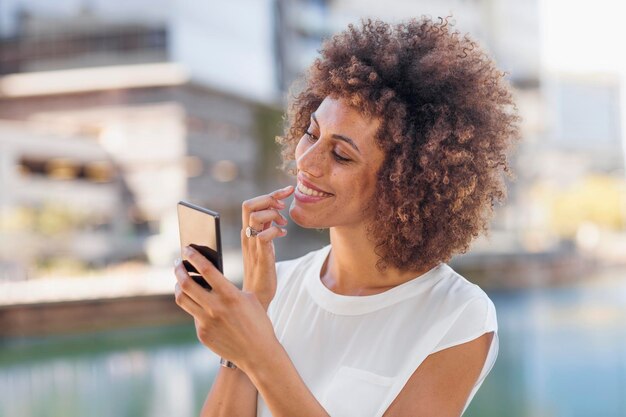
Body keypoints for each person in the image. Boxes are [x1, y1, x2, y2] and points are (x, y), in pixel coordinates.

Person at [173, 16, 519, 417]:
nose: (307, 161)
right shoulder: (278, 285)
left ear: (403, 182)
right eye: (311, 132)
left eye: (341, 155)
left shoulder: (456, 315)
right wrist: (249, 319)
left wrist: (258, 351)